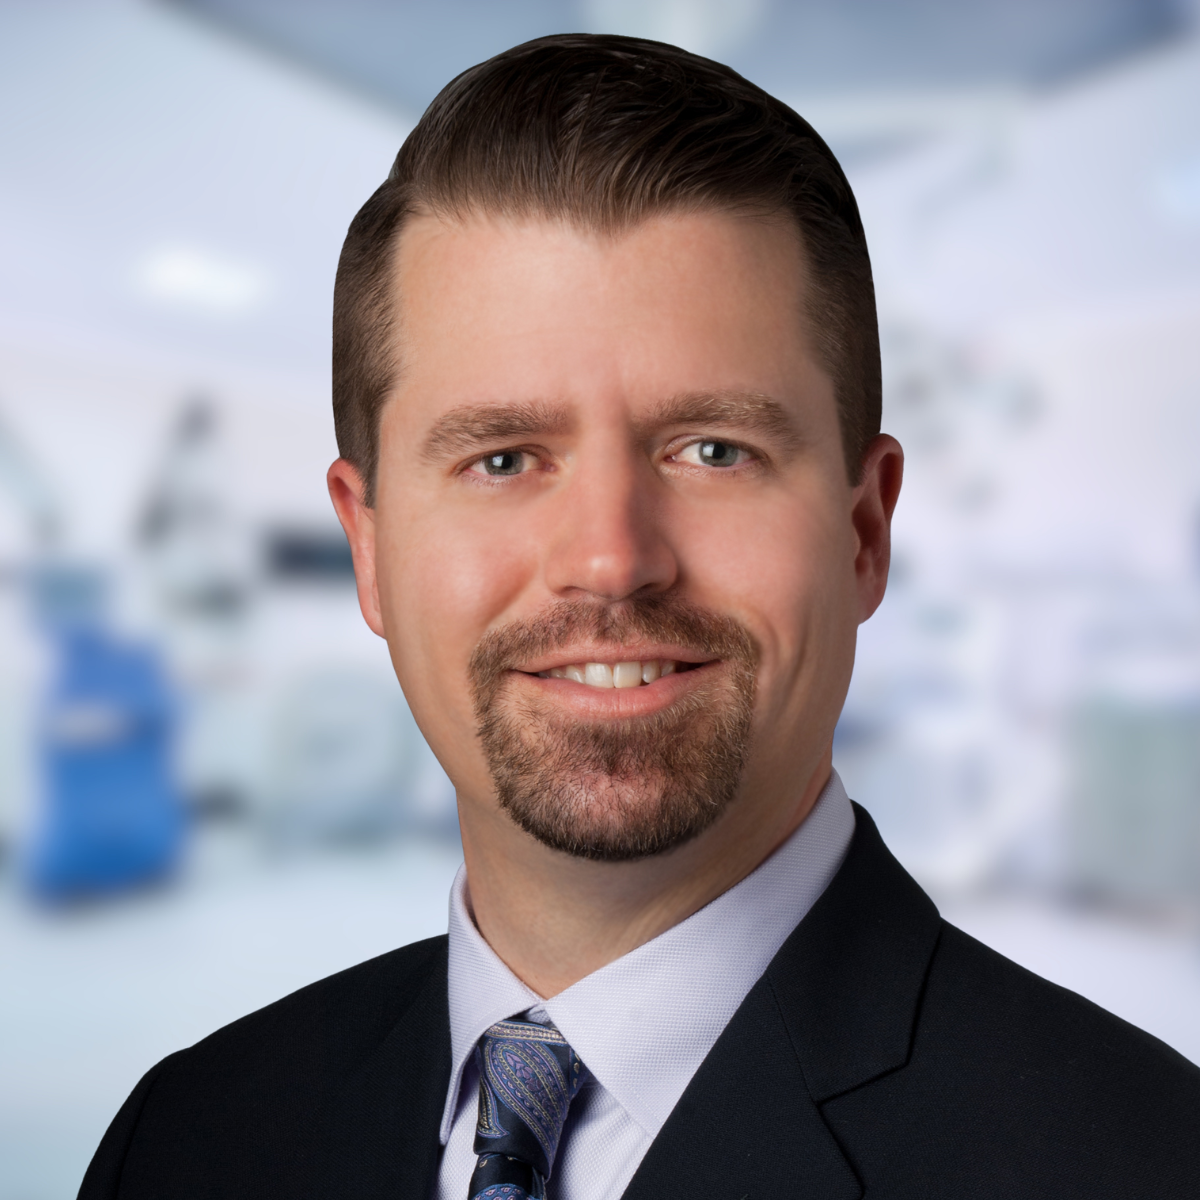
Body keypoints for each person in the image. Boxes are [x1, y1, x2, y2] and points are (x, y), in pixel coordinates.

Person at [79, 33, 1200, 1200]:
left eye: (714, 450)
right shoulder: (189, 1136)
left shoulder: (1142, 1162)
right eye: (505, 458)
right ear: (369, 547)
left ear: (865, 532)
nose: (612, 560)